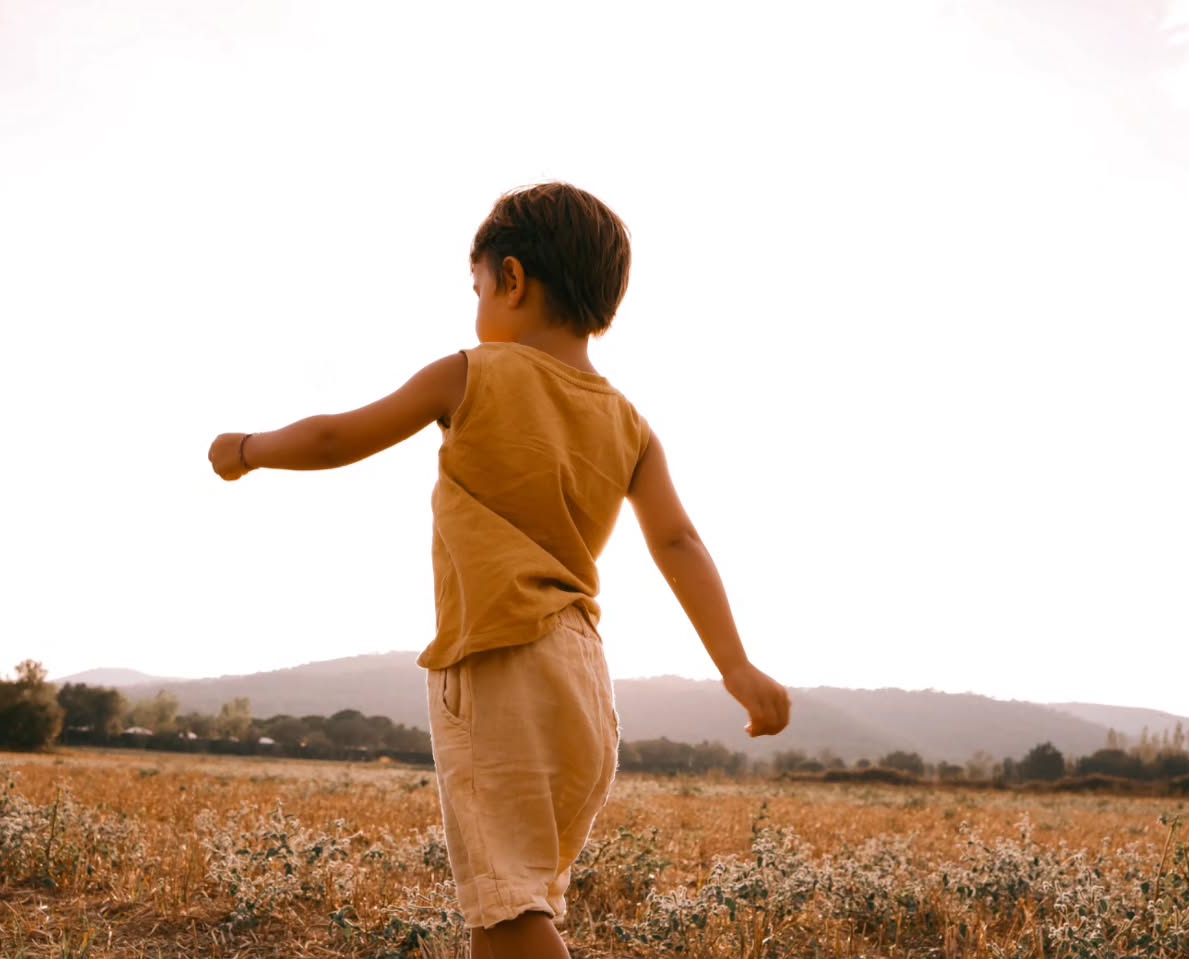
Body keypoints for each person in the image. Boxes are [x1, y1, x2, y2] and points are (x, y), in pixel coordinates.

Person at [208, 182, 791, 959]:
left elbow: (333, 438)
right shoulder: (630, 423)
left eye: (478, 286)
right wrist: (735, 664)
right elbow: (678, 540)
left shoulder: (471, 373)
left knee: (510, 910)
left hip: (498, 660)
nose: (477, 304)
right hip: (581, 681)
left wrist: (246, 449)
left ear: (511, 279)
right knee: (504, 902)